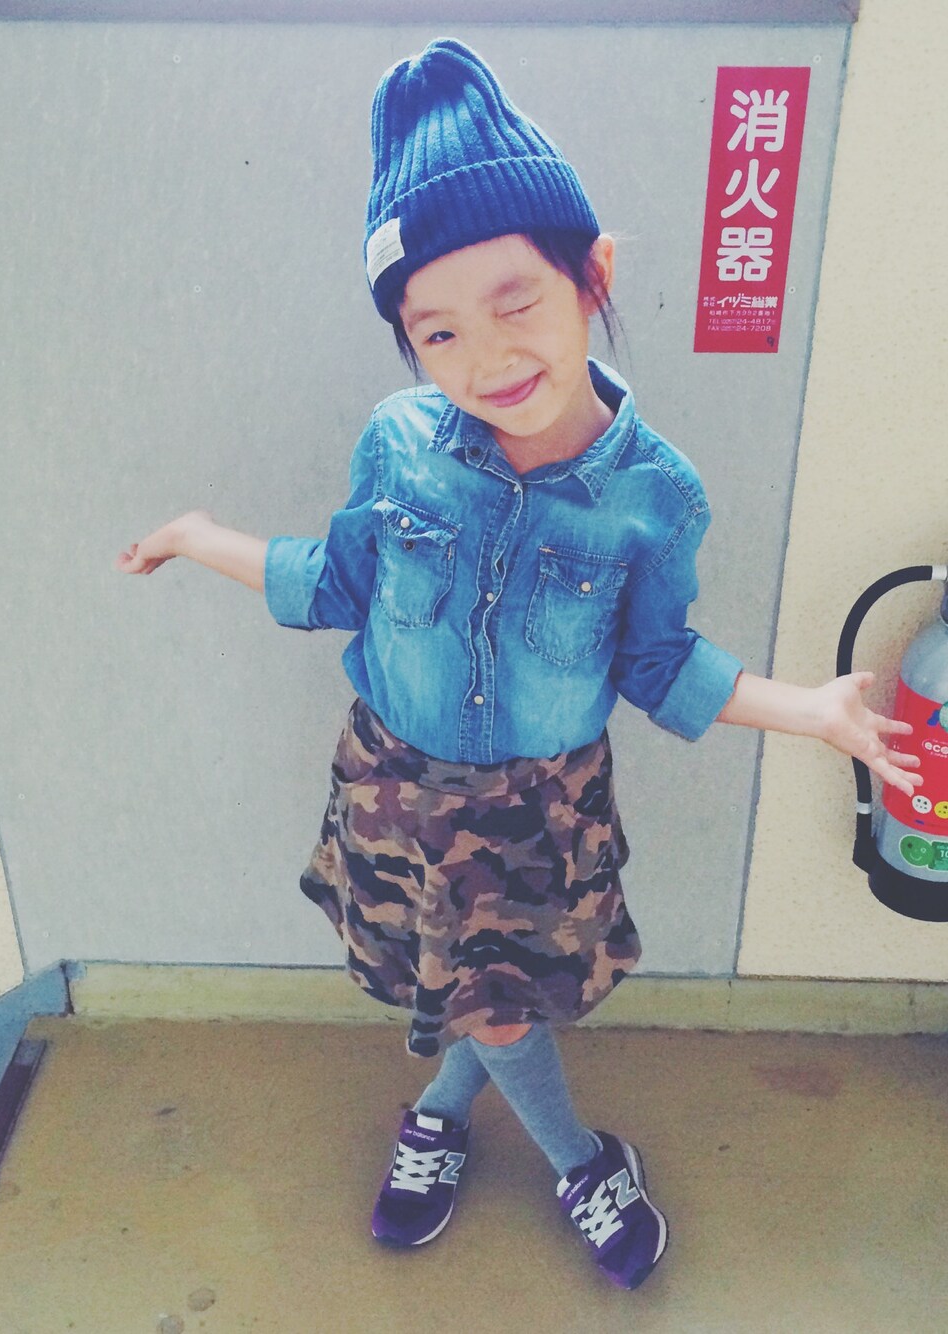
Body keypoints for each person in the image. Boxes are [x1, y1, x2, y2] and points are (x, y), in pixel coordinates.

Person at [116, 39, 920, 1291]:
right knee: (477, 997)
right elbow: (335, 581)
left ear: (591, 276)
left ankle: (571, 1154)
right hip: (397, 790)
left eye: (515, 302)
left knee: (490, 1002)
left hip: (539, 811)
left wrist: (811, 712)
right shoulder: (398, 443)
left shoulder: (655, 494)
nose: (485, 357)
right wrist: (198, 534)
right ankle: (463, 1118)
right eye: (436, 330)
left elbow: (659, 663)